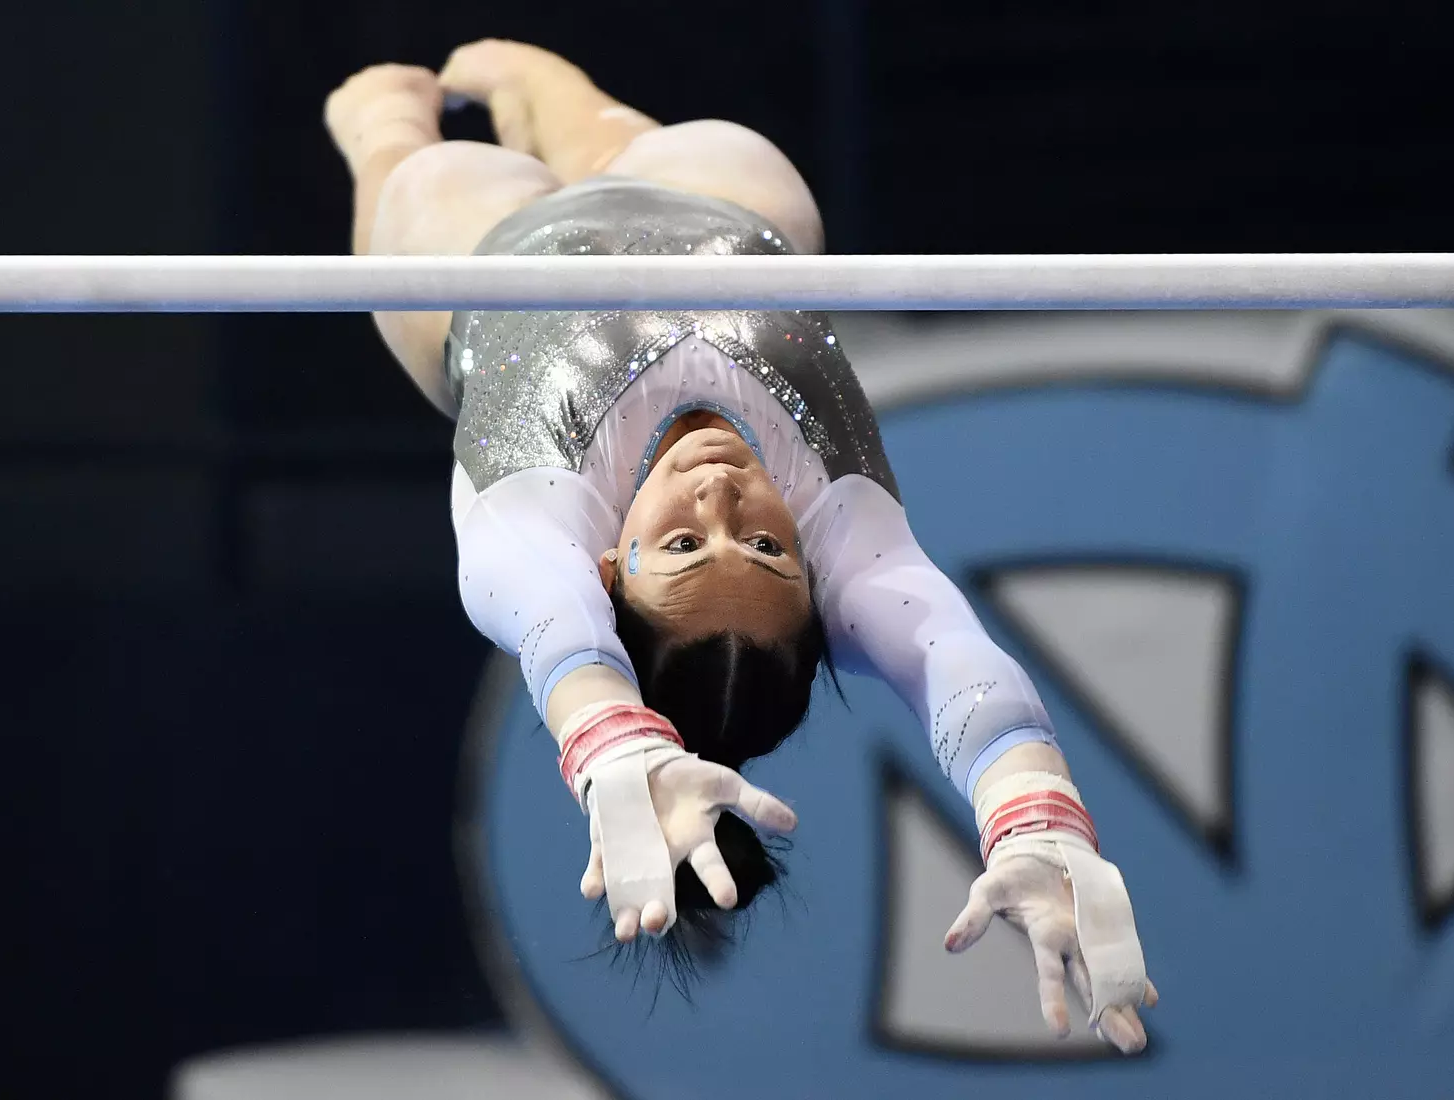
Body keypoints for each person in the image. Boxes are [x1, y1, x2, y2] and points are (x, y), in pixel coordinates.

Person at [324, 40, 1159, 1053]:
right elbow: (956, 664)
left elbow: (553, 628)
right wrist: (1034, 814)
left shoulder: (537, 522)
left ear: (606, 570)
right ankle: (547, 99)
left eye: (680, 542)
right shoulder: (852, 535)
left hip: (491, 246)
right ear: (816, 574)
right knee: (598, 124)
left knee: (411, 164)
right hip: (731, 214)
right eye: (765, 541)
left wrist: (613, 744)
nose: (721, 492)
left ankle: (380, 123)